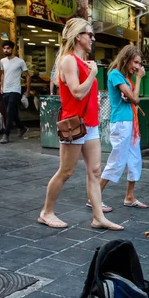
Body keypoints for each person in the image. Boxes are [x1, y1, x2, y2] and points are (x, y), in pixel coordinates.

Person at [38, 18, 123, 231]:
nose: (93, 38)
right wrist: (93, 74)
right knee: (66, 171)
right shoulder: (68, 61)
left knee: (95, 170)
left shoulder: (83, 61)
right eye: (89, 34)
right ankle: (46, 212)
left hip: (90, 124)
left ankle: (98, 217)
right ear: (78, 37)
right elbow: (76, 92)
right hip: (74, 124)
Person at [99, 46, 149, 209]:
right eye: (135, 62)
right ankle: (94, 197)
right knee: (117, 161)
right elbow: (135, 99)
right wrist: (140, 78)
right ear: (126, 58)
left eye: (139, 63)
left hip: (131, 123)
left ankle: (130, 196)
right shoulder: (115, 74)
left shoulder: (125, 77)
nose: (137, 67)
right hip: (121, 122)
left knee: (135, 160)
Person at [0, 40, 30, 144]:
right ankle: (22, 127)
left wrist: (27, 90)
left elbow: (27, 75)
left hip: (15, 90)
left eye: (8, 48)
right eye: (4, 48)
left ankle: (6, 134)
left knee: (9, 112)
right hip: (6, 89)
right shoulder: (2, 61)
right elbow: (3, 74)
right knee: (13, 112)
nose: (6, 50)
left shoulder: (20, 62)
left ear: (12, 49)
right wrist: (2, 86)